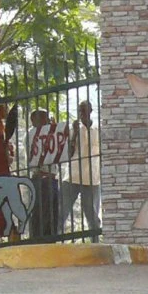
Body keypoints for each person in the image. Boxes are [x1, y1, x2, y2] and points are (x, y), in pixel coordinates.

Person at [60, 100, 101, 235]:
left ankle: (95, 244)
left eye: (84, 110)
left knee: (92, 216)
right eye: (79, 111)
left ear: (90, 111)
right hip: (73, 176)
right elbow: (68, 154)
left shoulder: (98, 130)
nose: (81, 113)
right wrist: (75, 134)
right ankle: (56, 242)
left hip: (91, 178)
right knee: (61, 213)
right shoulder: (73, 130)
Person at [25, 108, 64, 239]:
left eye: (47, 117)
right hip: (40, 179)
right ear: (34, 121)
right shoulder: (32, 134)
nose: (47, 120)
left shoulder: (48, 133)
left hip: (51, 179)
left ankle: (49, 244)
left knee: (52, 218)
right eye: (44, 118)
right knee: (41, 216)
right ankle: (37, 244)